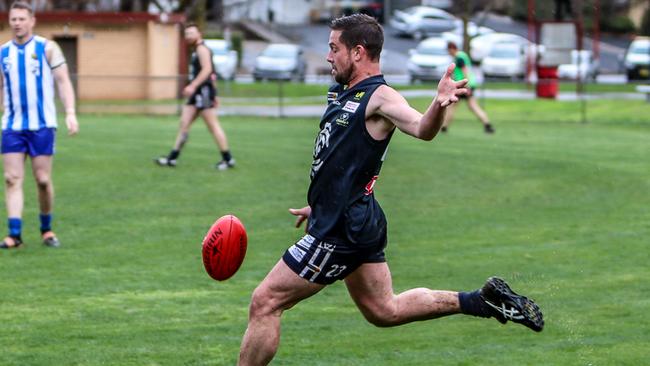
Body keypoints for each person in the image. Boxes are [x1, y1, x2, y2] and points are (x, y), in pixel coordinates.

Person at [237, 14, 543, 365]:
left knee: (266, 302)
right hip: (350, 217)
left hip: (341, 229)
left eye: (334, 48)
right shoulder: (342, 92)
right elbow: (341, 160)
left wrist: (438, 104)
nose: (327, 56)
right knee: (384, 310)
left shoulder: (380, 98)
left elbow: (421, 128)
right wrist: (319, 204)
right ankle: (482, 300)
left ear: (358, 52)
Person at [0, 1, 79, 249]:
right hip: (12, 125)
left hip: (43, 124)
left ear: (32, 21)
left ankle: (46, 229)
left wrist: (70, 112)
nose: (17, 23)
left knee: (43, 179)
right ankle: (15, 235)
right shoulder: (3, 53)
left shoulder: (48, 48)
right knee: (12, 178)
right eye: (14, 19)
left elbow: (64, 82)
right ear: (9, 22)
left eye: (22, 18)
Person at [155, 23, 234, 170]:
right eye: (186, 34)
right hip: (198, 93)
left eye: (191, 33)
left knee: (213, 126)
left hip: (202, 91)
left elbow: (208, 70)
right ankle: (172, 158)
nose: (188, 36)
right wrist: (214, 94)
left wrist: (193, 85)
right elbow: (213, 74)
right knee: (184, 124)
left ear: (199, 34)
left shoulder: (202, 49)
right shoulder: (196, 50)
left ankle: (228, 159)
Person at [441, 41, 495, 134]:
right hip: (466, 84)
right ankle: (487, 124)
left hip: (463, 85)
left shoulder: (459, 57)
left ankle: (444, 127)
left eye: (448, 50)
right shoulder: (462, 55)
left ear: (452, 49)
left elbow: (464, 71)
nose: (448, 52)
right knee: (472, 106)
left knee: (452, 106)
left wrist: (467, 86)